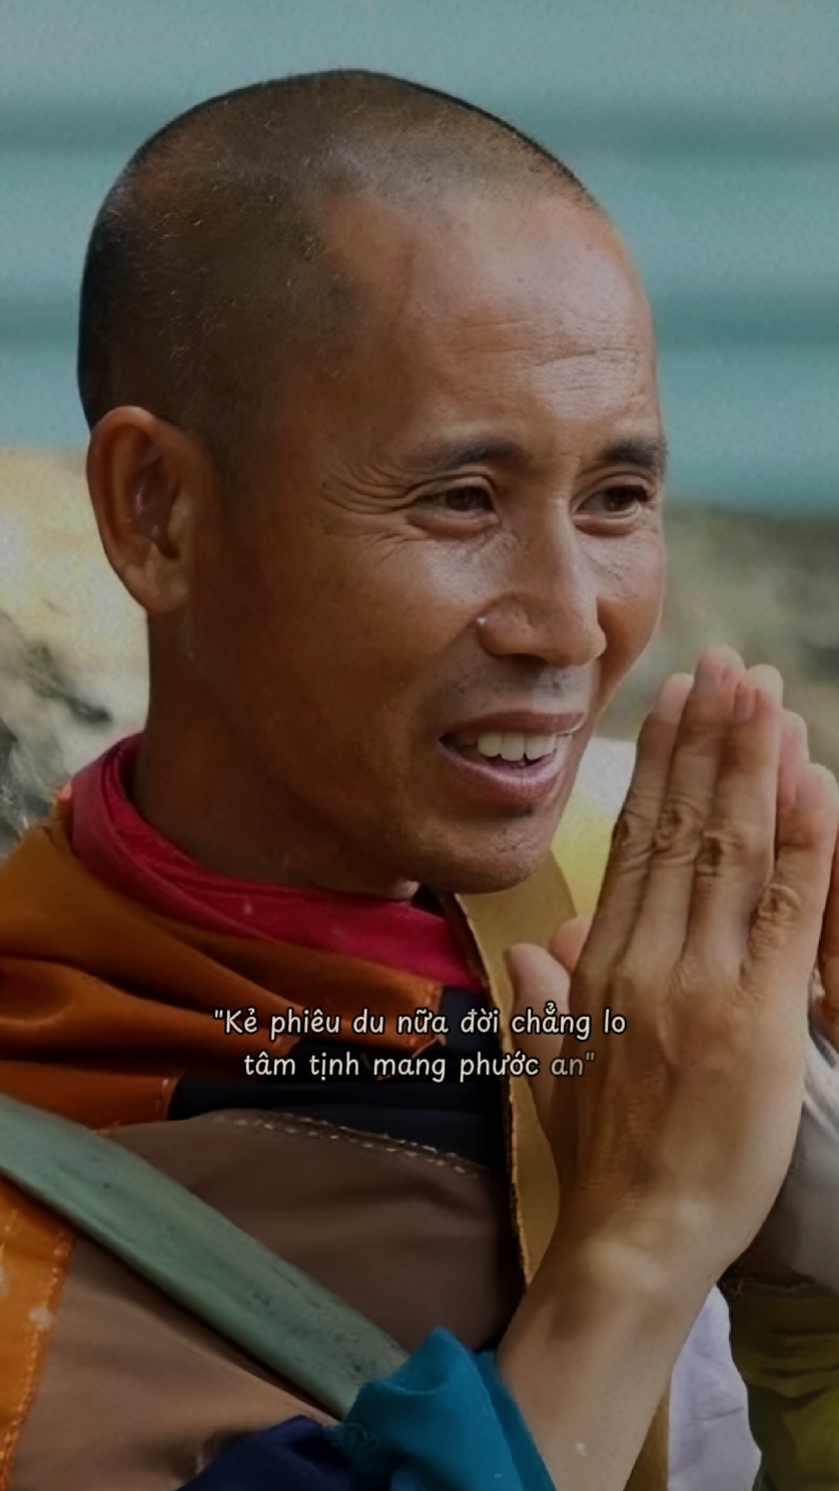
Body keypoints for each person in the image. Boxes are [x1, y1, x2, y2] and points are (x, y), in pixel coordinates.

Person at [1, 70, 839, 1491]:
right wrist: (637, 1251)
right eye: (460, 499)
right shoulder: (39, 1219)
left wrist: (808, 1290)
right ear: (160, 512)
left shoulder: (668, 940)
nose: (570, 623)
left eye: (617, 498)